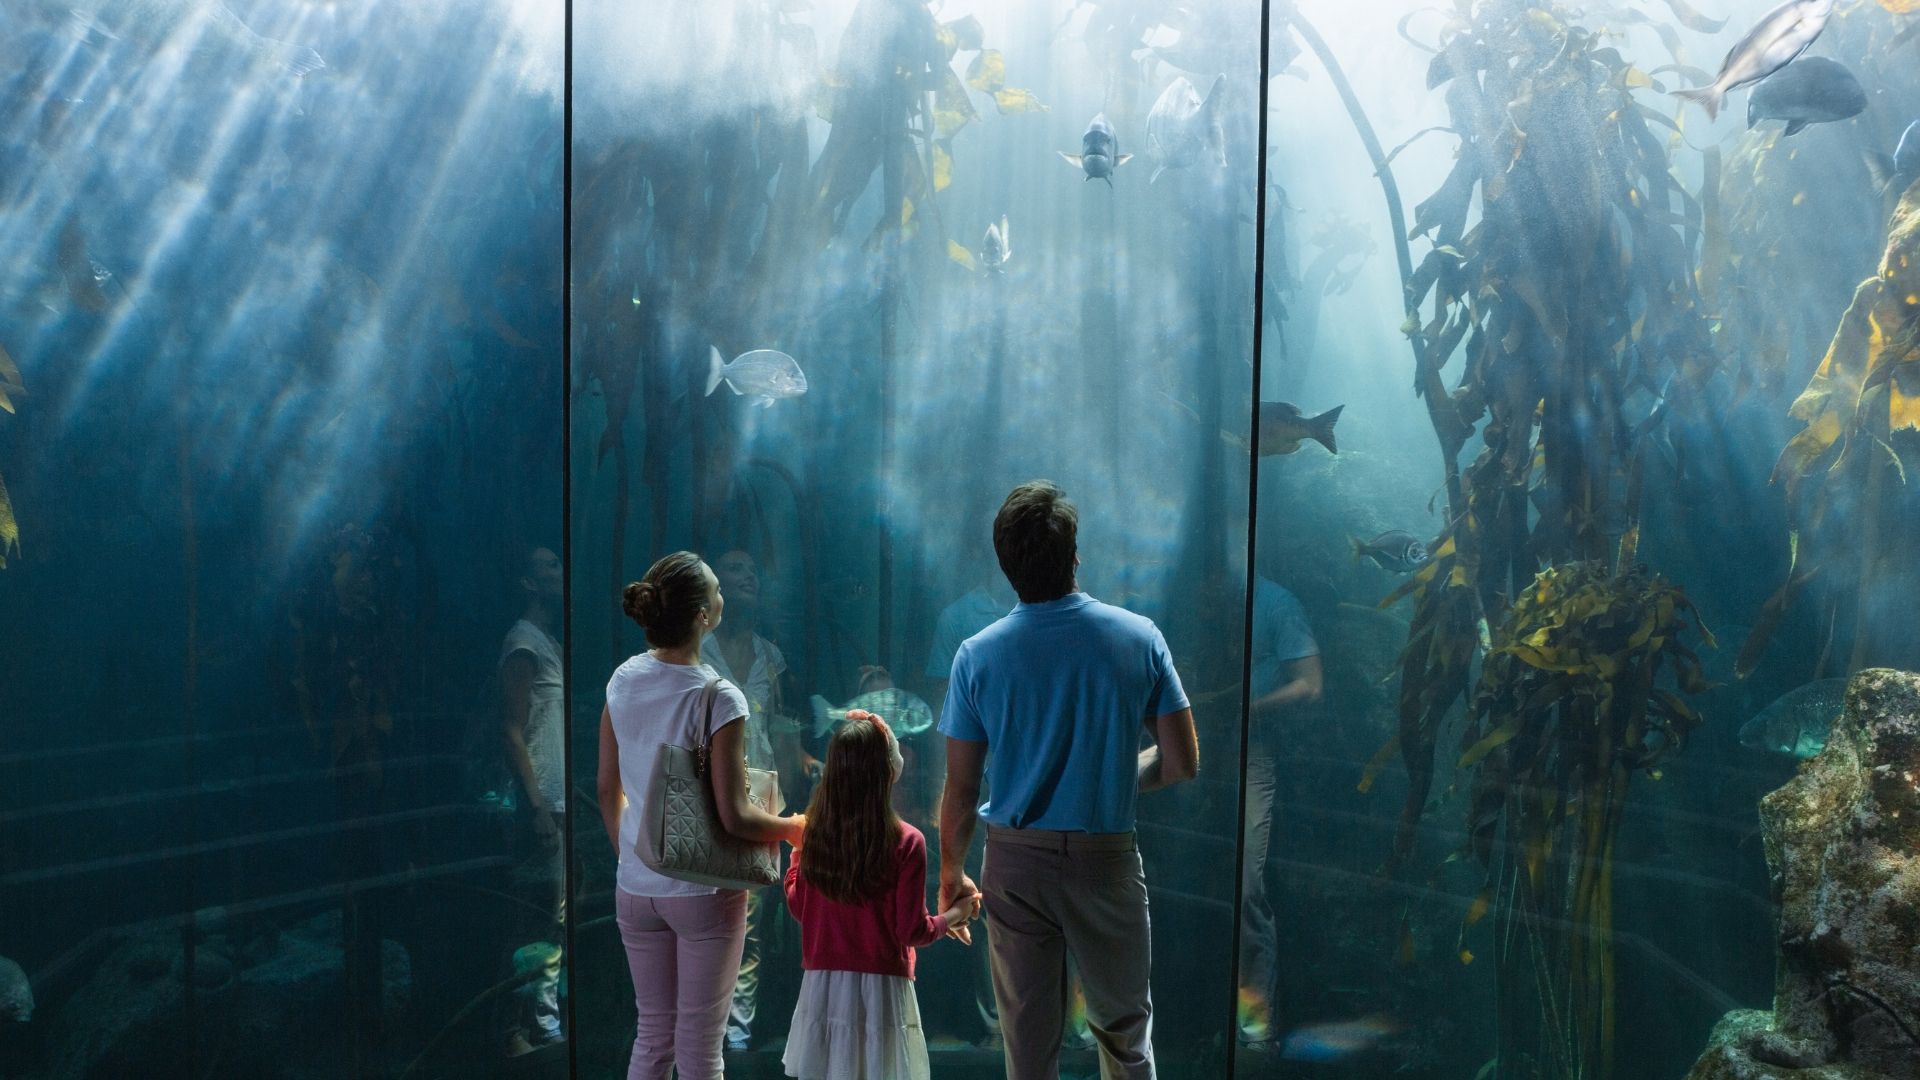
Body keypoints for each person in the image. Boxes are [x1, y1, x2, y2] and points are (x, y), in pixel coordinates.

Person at [937, 480, 1200, 1080]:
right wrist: (1106, 774)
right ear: (1075, 553)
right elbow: (1182, 761)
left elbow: (961, 790)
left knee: (1027, 1048)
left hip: (1014, 867)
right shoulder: (1140, 638)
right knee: (1126, 1039)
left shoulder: (977, 656)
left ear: (1005, 565)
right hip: (1105, 862)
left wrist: (950, 874)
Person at [597, 551, 805, 1080]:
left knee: (652, 1039)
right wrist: (796, 828)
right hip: (702, 892)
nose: (723, 596)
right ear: (702, 616)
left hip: (635, 889)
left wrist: (635, 857)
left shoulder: (622, 679)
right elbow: (735, 818)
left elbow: (606, 786)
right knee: (699, 1052)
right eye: (716, 590)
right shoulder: (718, 696)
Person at [781, 710, 981, 1080]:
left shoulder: (816, 834)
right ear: (889, 771)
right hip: (882, 992)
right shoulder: (907, 841)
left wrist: (795, 855)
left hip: (824, 986)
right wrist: (957, 914)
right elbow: (911, 932)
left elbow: (799, 906)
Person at [700, 547, 816, 1050]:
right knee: (705, 914)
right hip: (704, 795)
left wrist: (805, 767)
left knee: (749, 922)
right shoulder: (696, 649)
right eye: (734, 569)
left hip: (763, 799)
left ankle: (738, 1035)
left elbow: (783, 730)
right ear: (714, 586)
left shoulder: (772, 658)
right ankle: (705, 1031)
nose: (746, 576)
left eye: (753, 570)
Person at [1236, 574, 1322, 1048]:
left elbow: (1310, 684)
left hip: (1252, 752)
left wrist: (1249, 707)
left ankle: (1255, 1027)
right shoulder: (1202, 597)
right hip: (1181, 745)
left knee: (1246, 884)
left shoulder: (1275, 602)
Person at [497, 545, 568, 1055]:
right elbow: (512, 729)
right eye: (548, 566)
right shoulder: (523, 643)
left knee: (551, 918)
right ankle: (514, 1029)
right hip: (540, 805)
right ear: (527, 583)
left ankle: (542, 1025)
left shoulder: (547, 643)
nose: (559, 573)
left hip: (557, 802)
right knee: (530, 917)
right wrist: (538, 805)